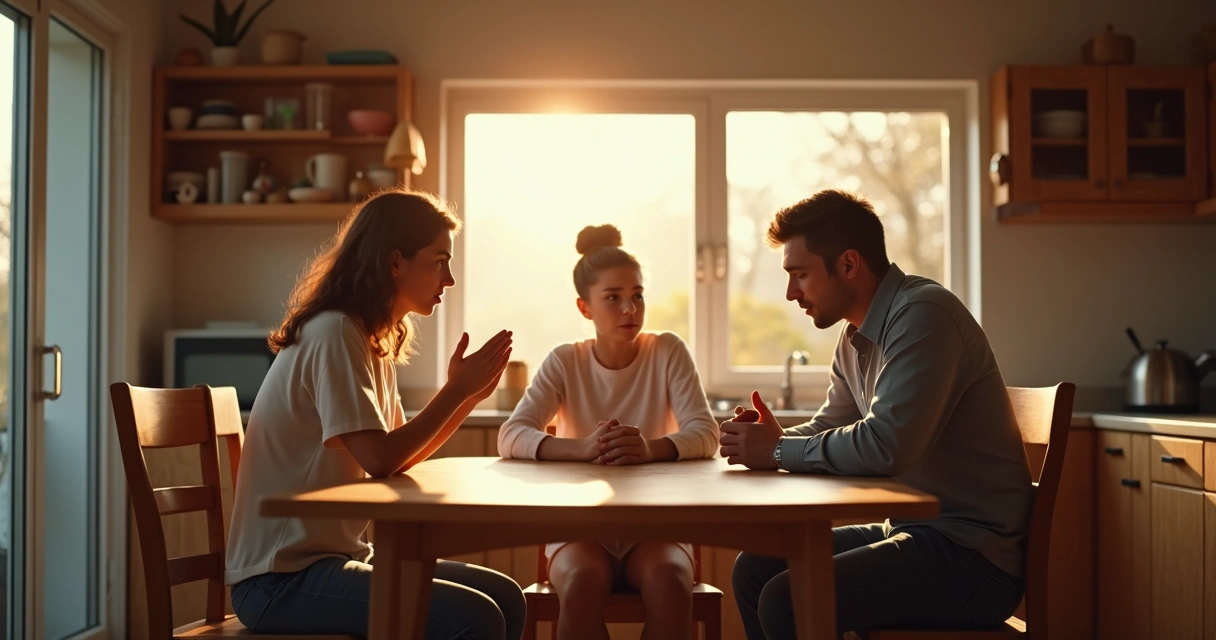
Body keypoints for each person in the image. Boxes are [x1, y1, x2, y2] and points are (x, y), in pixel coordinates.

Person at [720, 190, 1032, 638]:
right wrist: (765, 443)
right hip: (913, 531)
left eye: (800, 274)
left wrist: (780, 450)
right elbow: (832, 425)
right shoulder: (854, 338)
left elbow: (887, 445)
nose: (791, 293)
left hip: (974, 558)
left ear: (849, 265)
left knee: (787, 599)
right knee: (755, 569)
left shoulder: (923, 315)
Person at [225, 189, 526, 640]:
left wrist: (467, 397)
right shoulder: (334, 332)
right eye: (439, 261)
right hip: (279, 579)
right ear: (394, 262)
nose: (449, 280)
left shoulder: (369, 341)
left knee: (505, 595)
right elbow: (381, 459)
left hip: (330, 559)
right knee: (476, 616)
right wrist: (454, 391)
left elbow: (401, 455)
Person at [497, 224, 718, 640]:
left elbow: (706, 433)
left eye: (637, 296)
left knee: (670, 581)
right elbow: (511, 434)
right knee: (583, 582)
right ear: (585, 308)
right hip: (580, 530)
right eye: (613, 298)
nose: (629, 309)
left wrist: (650, 448)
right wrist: (580, 448)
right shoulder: (565, 360)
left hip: (657, 528)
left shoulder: (667, 351)